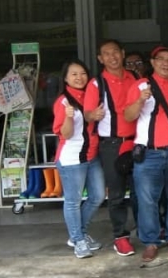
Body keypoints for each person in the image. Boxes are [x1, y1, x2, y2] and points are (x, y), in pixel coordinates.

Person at [124, 46, 168, 263]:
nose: (166, 63)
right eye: (161, 59)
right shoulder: (140, 85)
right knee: (147, 199)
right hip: (148, 152)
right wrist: (140, 100)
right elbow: (128, 116)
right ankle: (150, 242)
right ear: (152, 63)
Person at [83, 39, 138, 256]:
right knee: (116, 194)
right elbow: (87, 114)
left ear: (123, 53)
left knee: (141, 191)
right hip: (111, 145)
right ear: (100, 59)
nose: (112, 57)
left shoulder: (135, 78)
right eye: (106, 54)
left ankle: (147, 231)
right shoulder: (96, 84)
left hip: (137, 141)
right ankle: (120, 237)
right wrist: (92, 115)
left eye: (115, 52)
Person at [53, 59, 105, 259]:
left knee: (98, 196)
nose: (79, 77)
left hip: (92, 155)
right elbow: (65, 134)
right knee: (73, 201)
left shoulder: (91, 95)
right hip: (72, 158)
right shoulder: (63, 101)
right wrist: (68, 116)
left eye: (83, 73)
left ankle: (78, 234)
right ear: (65, 78)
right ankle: (78, 240)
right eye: (74, 74)